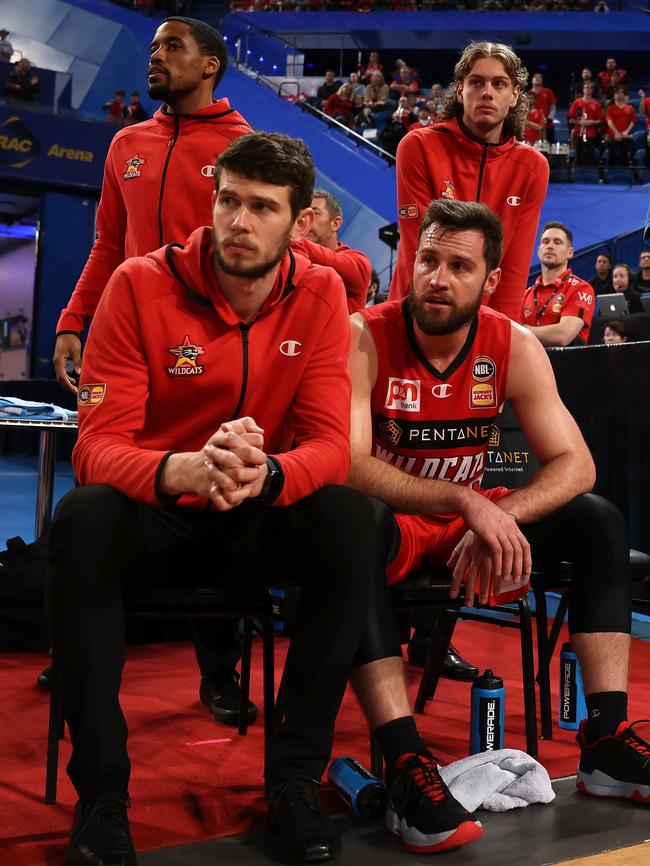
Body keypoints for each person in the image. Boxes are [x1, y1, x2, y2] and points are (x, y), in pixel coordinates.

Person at [47, 132, 482, 865]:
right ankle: (102, 796)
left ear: (299, 219)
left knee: (352, 517)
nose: (238, 222)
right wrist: (179, 471)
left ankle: (293, 783)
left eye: (260, 208)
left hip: (258, 506)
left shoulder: (319, 296)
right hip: (160, 509)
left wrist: (270, 477)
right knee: (81, 516)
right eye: (228, 201)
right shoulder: (137, 283)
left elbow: (328, 447)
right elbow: (94, 448)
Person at [346, 199, 650, 834]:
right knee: (352, 521)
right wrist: (467, 501)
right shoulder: (363, 334)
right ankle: (405, 759)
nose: (438, 277)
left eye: (459, 266)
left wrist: (502, 512)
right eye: (428, 259)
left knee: (598, 521)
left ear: (489, 281)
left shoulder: (509, 343)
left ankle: (605, 742)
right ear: (409, 262)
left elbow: (576, 464)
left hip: (471, 530)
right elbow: (345, 464)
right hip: (393, 522)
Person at [51, 16, 254, 728]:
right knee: (99, 481)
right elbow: (107, 243)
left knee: (215, 487)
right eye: (155, 46)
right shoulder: (126, 143)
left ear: (211, 67)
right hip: (126, 335)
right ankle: (75, 638)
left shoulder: (243, 148)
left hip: (211, 342)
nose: (157, 57)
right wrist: (74, 319)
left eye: (173, 47)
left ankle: (220, 666)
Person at [389, 41, 549, 322]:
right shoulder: (417, 146)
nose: (487, 92)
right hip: (414, 313)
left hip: (483, 324)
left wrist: (500, 333)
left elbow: (513, 267)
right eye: (477, 82)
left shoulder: (532, 167)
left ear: (514, 95)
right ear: (461, 90)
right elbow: (425, 250)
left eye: (499, 84)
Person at [291, 188, 371, 313]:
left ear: (335, 223)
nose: (304, 220)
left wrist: (285, 234)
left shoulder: (359, 263)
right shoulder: (293, 253)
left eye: (314, 214)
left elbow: (329, 260)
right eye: (301, 215)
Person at [522, 222, 595, 347]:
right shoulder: (525, 294)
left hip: (566, 364)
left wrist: (521, 329)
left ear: (570, 252)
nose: (550, 246)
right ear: (539, 251)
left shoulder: (581, 289)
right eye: (545, 241)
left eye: (557, 242)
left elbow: (563, 336)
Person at [568, 81, 603, 168]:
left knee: (590, 156)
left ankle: (589, 175)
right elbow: (571, 120)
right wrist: (580, 122)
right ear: (583, 90)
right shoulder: (577, 102)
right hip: (578, 133)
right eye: (586, 87)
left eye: (589, 88)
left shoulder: (596, 104)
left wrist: (590, 122)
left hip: (591, 134)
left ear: (592, 90)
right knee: (578, 155)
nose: (587, 89)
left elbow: (599, 121)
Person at [604, 86, 637, 179]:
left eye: (621, 92)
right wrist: (616, 133)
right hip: (613, 137)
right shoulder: (610, 108)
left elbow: (632, 121)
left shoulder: (629, 108)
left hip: (625, 137)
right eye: (617, 93)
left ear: (624, 95)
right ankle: (610, 177)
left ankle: (625, 178)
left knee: (625, 157)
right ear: (614, 96)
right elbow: (609, 121)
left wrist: (626, 131)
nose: (619, 94)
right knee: (612, 157)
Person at [530, 72, 557, 144]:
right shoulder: (528, 93)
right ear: (532, 80)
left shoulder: (548, 91)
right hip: (533, 126)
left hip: (547, 124)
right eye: (535, 77)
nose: (538, 79)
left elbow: (553, 107)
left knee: (549, 145)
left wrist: (549, 118)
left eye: (540, 77)